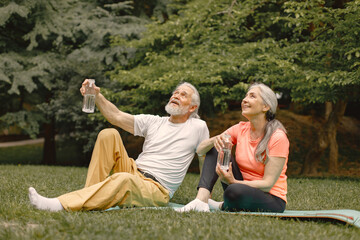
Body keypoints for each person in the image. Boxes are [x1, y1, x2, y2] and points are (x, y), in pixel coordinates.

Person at [28, 80, 209, 212]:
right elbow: (116, 116)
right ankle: (89, 195)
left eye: (183, 94)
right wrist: (97, 95)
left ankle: (59, 204)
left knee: (123, 179)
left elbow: (206, 158)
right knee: (109, 134)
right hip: (133, 171)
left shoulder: (197, 127)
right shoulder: (154, 122)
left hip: (156, 188)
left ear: (192, 108)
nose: (176, 95)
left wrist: (203, 196)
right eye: (175, 92)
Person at [177, 82, 289, 213]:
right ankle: (201, 200)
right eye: (245, 96)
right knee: (216, 147)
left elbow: (267, 184)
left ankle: (221, 205)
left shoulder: (277, 137)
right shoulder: (241, 128)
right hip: (238, 185)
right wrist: (215, 140)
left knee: (234, 192)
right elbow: (201, 150)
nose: (244, 100)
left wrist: (234, 181)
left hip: (270, 197)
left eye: (252, 96)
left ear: (266, 106)